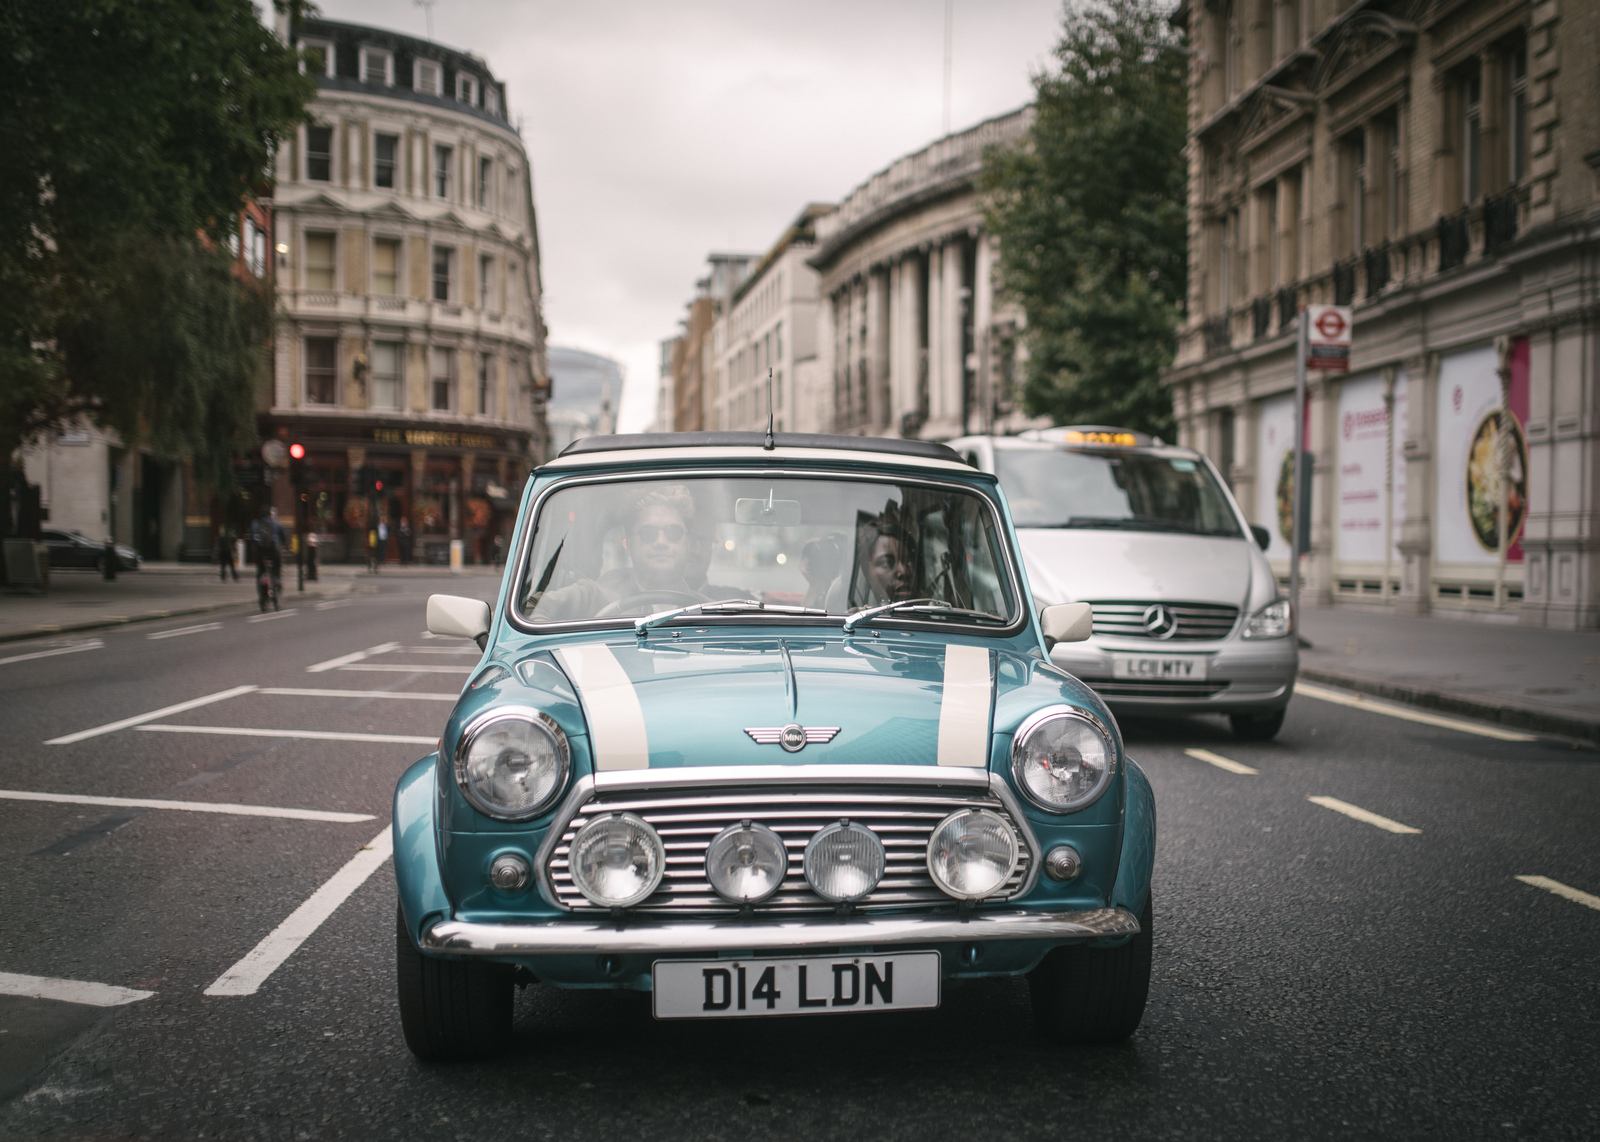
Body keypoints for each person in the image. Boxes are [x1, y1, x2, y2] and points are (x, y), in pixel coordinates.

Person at [530, 486, 709, 620]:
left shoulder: (710, 608)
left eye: (673, 533)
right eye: (648, 534)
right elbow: (533, 608)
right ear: (628, 544)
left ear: (688, 544)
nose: (661, 542)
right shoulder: (596, 595)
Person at [248, 507, 285, 589]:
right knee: (277, 565)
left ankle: (261, 582)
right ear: (269, 514)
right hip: (273, 550)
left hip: (260, 551)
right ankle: (276, 579)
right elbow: (283, 537)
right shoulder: (276, 523)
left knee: (260, 568)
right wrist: (283, 544)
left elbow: (252, 537)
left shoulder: (255, 523)